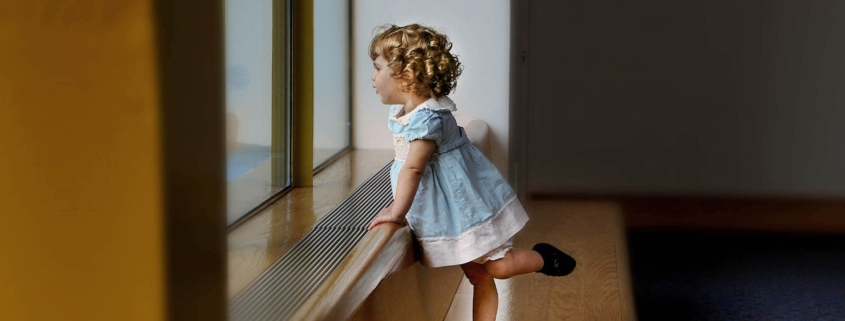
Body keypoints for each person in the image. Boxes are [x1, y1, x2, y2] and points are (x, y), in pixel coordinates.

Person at [366, 23, 576, 321]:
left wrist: (397, 212)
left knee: (498, 267)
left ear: (407, 76)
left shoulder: (428, 119)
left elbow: (413, 168)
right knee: (479, 275)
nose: (372, 77)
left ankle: (544, 258)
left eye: (377, 68)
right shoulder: (405, 113)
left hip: (464, 208)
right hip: (444, 211)